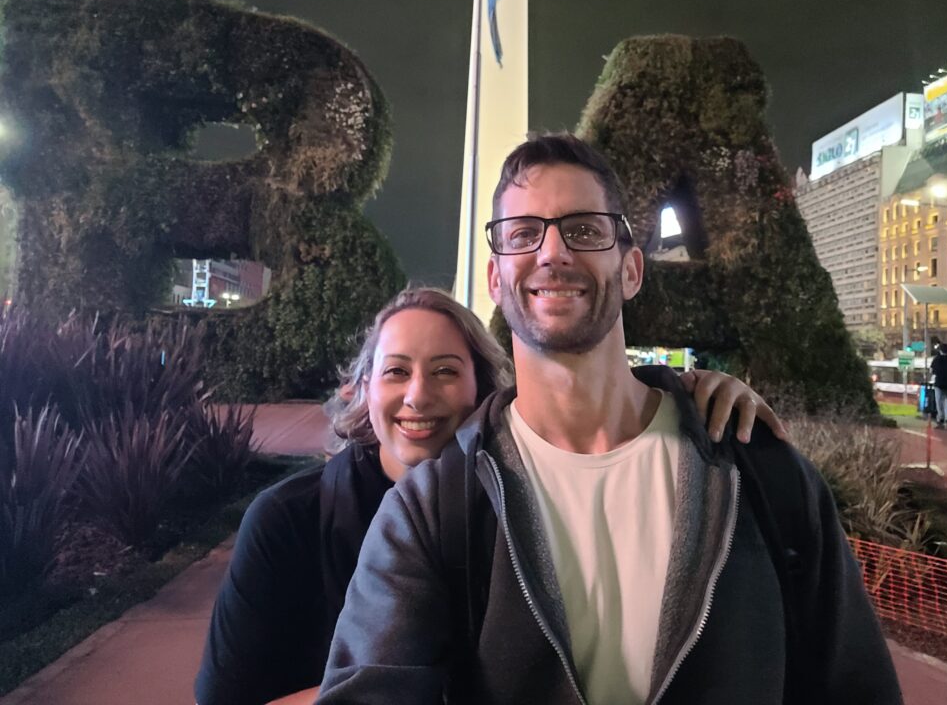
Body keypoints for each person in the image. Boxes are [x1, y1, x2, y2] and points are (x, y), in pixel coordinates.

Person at [318, 134, 900, 704]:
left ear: (631, 271)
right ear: (496, 279)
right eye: (523, 234)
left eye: (584, 230)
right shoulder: (431, 509)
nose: (553, 252)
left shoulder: (761, 470)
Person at [193, 287, 782, 705]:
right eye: (396, 371)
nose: (418, 396)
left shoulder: (522, 497)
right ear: (362, 388)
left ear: (482, 387)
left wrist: (690, 396)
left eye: (445, 371)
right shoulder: (285, 522)